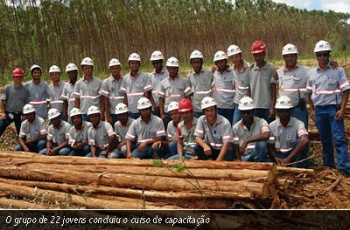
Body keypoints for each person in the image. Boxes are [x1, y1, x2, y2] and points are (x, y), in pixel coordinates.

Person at [307, 40, 350, 177]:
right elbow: (309, 93)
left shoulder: (338, 70)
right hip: (320, 111)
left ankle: (344, 169)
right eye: (319, 55)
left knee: (339, 139)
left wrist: (342, 109)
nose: (322, 58)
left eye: (325, 54)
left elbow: (345, 91)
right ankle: (329, 166)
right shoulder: (312, 73)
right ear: (316, 56)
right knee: (325, 140)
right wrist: (312, 110)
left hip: (333, 110)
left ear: (329, 55)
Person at [268, 96, 310, 168]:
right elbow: (269, 146)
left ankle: (298, 167)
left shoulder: (298, 124)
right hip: (278, 155)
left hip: (292, 155)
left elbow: (305, 140)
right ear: (277, 112)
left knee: (301, 142)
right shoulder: (272, 126)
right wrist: (275, 158)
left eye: (286, 111)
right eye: (280, 111)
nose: (283, 114)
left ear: (291, 111)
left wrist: (289, 158)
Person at [277, 44, 309, 129]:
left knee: (301, 133)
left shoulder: (306, 71)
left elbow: (321, 69)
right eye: (287, 56)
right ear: (284, 58)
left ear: (296, 56)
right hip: (283, 111)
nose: (289, 58)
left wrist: (330, 63)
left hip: (299, 109)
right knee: (285, 133)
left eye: (292, 56)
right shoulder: (278, 72)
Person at [194, 96, 234, 161]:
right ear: (204, 112)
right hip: (211, 149)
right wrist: (205, 146)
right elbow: (197, 137)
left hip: (224, 150)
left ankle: (214, 161)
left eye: (211, 110)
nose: (210, 113)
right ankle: (209, 160)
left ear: (216, 110)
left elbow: (226, 144)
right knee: (197, 148)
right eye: (207, 111)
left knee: (228, 156)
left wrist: (218, 160)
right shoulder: (201, 119)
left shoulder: (225, 123)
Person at [248, 40, 277, 123]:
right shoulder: (250, 70)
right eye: (255, 55)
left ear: (264, 54)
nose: (257, 58)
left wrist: (272, 107)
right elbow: (249, 88)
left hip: (267, 107)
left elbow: (273, 89)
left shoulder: (271, 69)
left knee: (270, 131)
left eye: (259, 55)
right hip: (254, 107)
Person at [232, 96, 270, 162]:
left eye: (248, 112)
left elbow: (266, 134)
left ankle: (259, 166)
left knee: (262, 144)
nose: (246, 115)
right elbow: (235, 147)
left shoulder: (261, 122)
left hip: (257, 155)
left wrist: (247, 141)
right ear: (240, 113)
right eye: (243, 112)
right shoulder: (236, 128)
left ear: (253, 111)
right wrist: (239, 161)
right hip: (244, 156)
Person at [159, 57, 192, 127]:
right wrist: (162, 114)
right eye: (170, 68)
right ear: (167, 68)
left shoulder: (184, 81)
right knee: (170, 131)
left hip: (181, 112)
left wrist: (189, 111)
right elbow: (161, 99)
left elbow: (188, 97)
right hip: (168, 113)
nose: (172, 70)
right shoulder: (163, 83)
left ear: (177, 68)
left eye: (174, 68)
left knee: (182, 130)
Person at [120, 53, 152, 119]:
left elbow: (147, 94)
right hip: (130, 111)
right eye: (132, 63)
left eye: (136, 63)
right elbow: (124, 95)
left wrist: (145, 108)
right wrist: (126, 109)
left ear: (139, 64)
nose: (134, 65)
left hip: (142, 110)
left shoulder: (145, 77)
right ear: (129, 64)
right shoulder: (125, 78)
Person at [0, 68, 30, 137]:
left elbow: (26, 103)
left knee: (22, 133)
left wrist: (25, 115)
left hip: (20, 114)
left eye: (20, 77)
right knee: (1, 125)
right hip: (8, 113)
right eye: (16, 77)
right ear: (13, 77)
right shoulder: (7, 88)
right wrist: (2, 113)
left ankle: (21, 145)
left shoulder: (25, 90)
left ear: (22, 78)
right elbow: (1, 100)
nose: (18, 78)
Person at [227, 44, 251, 124]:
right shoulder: (232, 69)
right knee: (235, 126)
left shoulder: (249, 68)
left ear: (240, 55)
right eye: (232, 57)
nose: (235, 59)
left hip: (248, 103)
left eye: (236, 56)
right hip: (237, 103)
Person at [73, 57, 103, 121]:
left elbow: (101, 99)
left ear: (92, 68)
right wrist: (77, 114)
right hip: (83, 113)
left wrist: (102, 113)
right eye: (85, 68)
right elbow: (77, 100)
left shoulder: (99, 82)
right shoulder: (78, 83)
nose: (87, 70)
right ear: (82, 69)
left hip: (95, 113)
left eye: (89, 68)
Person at [187, 50, 214, 118]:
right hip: (195, 109)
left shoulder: (209, 74)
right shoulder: (189, 76)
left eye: (198, 62)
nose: (196, 64)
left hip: (207, 108)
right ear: (191, 63)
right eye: (194, 62)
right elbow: (188, 94)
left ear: (201, 62)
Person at [212, 51, 235, 125]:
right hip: (218, 107)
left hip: (230, 107)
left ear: (225, 61)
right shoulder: (214, 73)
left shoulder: (233, 72)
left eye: (222, 61)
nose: (220, 64)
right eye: (218, 62)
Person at [100, 58, 124, 126]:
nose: (115, 70)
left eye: (117, 68)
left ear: (120, 68)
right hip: (113, 113)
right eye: (113, 68)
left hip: (124, 113)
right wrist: (108, 116)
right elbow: (105, 100)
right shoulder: (106, 82)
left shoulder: (124, 80)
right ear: (110, 69)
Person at [148, 50, 168, 117]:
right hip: (155, 108)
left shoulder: (167, 74)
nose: (156, 65)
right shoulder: (150, 76)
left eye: (157, 63)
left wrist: (162, 105)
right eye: (154, 63)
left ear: (161, 62)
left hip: (166, 107)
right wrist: (154, 105)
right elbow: (149, 93)